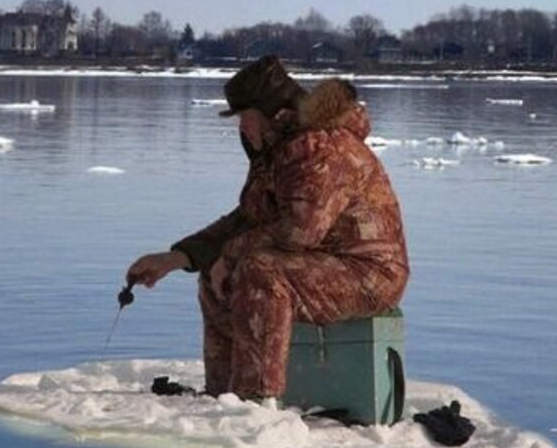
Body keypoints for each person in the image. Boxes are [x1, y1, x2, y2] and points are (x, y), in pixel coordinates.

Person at [126, 56, 409, 401]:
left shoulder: (319, 148)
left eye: (245, 118)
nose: (241, 128)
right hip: (320, 264)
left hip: (370, 274)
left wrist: (230, 255)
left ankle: (255, 400)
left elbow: (301, 231)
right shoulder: (279, 151)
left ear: (273, 115)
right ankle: (223, 395)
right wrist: (177, 257)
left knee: (259, 273)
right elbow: (248, 219)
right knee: (218, 278)